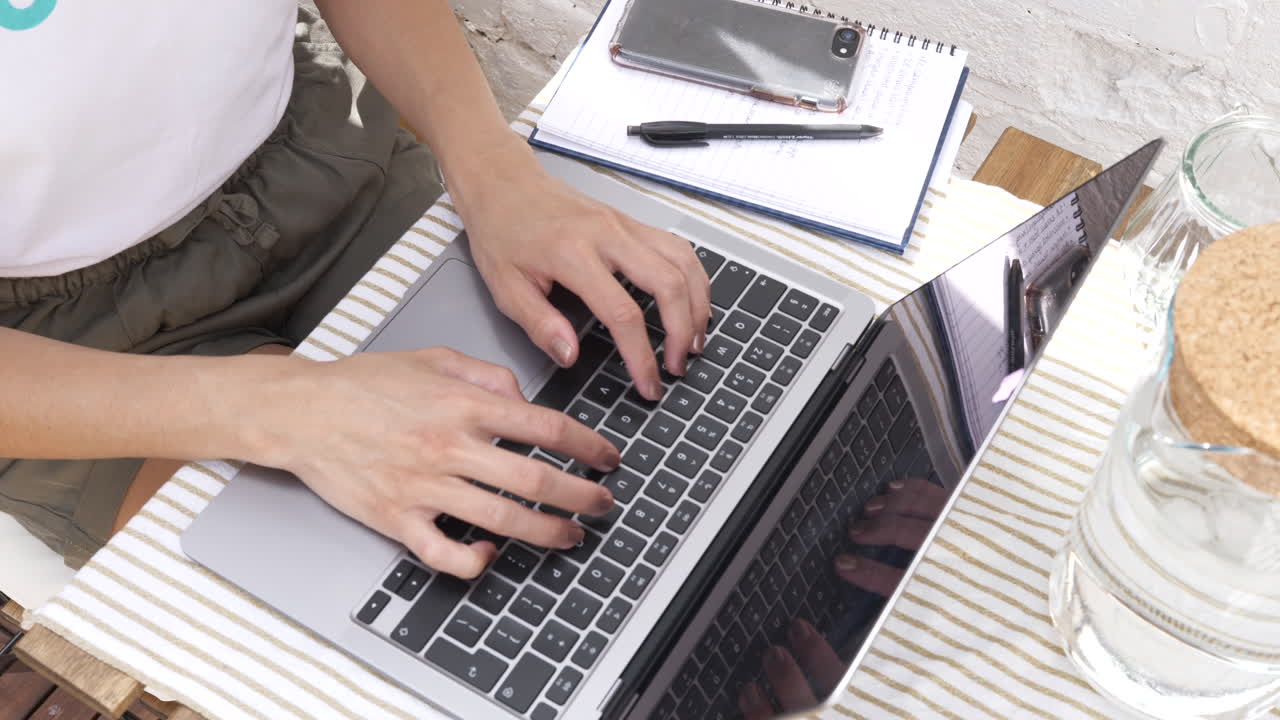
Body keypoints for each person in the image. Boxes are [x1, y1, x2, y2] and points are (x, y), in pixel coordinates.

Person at [0, 0, 710, 577]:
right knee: (416, 583)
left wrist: (494, 171)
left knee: (635, 408)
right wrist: (289, 408)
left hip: (312, 150)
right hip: (75, 344)